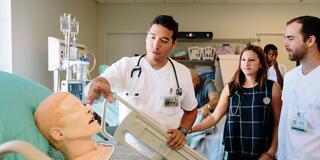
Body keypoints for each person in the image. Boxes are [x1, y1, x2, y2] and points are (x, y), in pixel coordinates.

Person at [84, 15, 197, 153]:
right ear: (146, 37)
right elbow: (99, 82)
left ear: (173, 44)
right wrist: (94, 86)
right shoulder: (126, 66)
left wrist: (182, 131)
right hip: (129, 149)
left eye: (164, 40)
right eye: (152, 37)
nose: (156, 45)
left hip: (166, 151)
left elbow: (191, 110)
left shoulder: (182, 73)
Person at [191, 45, 282, 160]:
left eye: (252, 60)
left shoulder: (272, 87)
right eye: (243, 59)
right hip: (235, 152)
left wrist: (271, 152)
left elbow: (278, 122)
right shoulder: (231, 88)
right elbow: (214, 118)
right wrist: (189, 129)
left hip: (262, 152)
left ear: (261, 64)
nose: (246, 63)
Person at [34, 92, 149, 160]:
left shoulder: (104, 144)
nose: (89, 109)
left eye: (82, 105)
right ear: (58, 133)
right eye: (75, 109)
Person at [278, 15, 320, 160]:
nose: (285, 44)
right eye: (285, 38)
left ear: (310, 40)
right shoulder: (290, 77)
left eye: (290, 38)